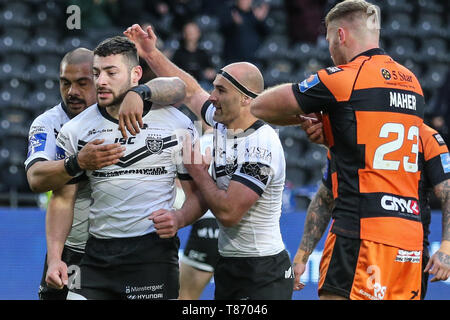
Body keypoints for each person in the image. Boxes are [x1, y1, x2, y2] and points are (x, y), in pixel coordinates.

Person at [251, 0, 429, 300]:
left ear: (341, 36)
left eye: (330, 40)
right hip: (410, 239)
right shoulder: (413, 83)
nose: (330, 49)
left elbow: (261, 106)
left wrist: (314, 116)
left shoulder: (346, 77)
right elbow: (368, 138)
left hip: (361, 233)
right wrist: (332, 128)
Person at [121, 24, 294, 300]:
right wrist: (150, 53)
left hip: (261, 270)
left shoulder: (261, 145)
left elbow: (228, 213)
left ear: (246, 99)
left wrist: (198, 172)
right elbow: (190, 92)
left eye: (221, 91)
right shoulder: (224, 123)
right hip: (230, 263)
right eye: (214, 88)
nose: (212, 97)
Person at [50, 36, 207, 300]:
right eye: (97, 73)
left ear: (136, 75)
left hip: (152, 258)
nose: (101, 81)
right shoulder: (75, 130)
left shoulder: (177, 124)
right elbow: (63, 200)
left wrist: (180, 218)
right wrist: (55, 258)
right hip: (96, 257)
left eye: (111, 73)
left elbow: (199, 195)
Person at [293, 117, 450, 299]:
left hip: (408, 255)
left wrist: (446, 247)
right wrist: (302, 255)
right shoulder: (349, 134)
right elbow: (326, 196)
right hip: (353, 241)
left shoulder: (427, 137)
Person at [24, 48, 125, 300]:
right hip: (72, 252)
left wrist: (140, 93)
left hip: (121, 251)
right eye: (65, 83)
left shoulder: (122, 115)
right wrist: (77, 162)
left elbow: (177, 89)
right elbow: (36, 178)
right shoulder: (48, 123)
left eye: (82, 83)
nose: (72, 92)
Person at [177, 130, 220, 300]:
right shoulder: (245, 143)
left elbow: (181, 188)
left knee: (185, 295)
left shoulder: (198, 143)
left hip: (207, 224)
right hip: (239, 227)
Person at [219, 0, 270, 66]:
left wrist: (261, 20)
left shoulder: (255, 13)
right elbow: (222, 30)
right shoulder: (230, 11)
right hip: (233, 59)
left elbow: (266, 33)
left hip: (253, 59)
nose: (245, 2)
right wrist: (233, 24)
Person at [171, 20, 215, 90]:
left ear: (198, 33)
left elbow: (210, 71)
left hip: (201, 84)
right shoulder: (178, 53)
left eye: (193, 32)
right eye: (188, 31)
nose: (191, 34)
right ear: (184, 34)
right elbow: (173, 72)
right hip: (183, 84)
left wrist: (209, 73)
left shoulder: (203, 53)